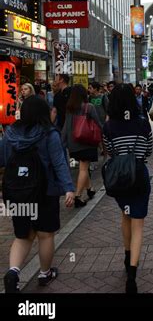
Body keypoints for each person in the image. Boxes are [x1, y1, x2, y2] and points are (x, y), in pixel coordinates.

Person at [1, 96, 75, 293]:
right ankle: (44, 273)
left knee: (22, 236)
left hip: (19, 193)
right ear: (43, 113)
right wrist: (68, 187)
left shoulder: (10, 133)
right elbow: (59, 162)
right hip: (45, 191)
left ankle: (13, 273)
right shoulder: (49, 134)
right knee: (45, 234)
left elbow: (4, 160)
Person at [102, 84, 153, 294]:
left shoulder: (109, 127)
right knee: (138, 224)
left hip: (119, 178)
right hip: (139, 174)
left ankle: (126, 253)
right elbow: (148, 150)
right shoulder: (142, 124)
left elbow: (109, 151)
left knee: (126, 215)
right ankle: (132, 273)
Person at [62, 85, 102, 208]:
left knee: (84, 167)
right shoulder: (89, 107)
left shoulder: (69, 108)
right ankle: (78, 197)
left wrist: (63, 143)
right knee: (84, 169)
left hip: (73, 143)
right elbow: (98, 123)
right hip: (86, 142)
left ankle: (90, 189)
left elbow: (66, 127)